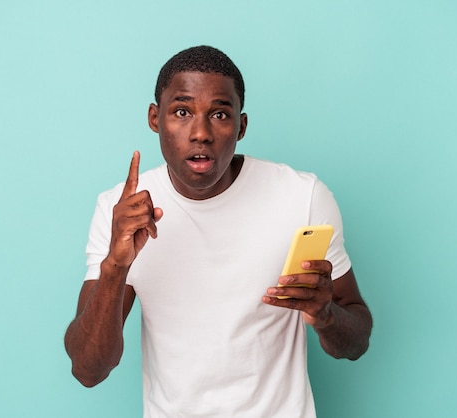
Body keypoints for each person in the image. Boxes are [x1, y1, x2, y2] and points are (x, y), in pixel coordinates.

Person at [64, 45, 372, 417]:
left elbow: (356, 342)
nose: (201, 133)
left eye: (220, 114)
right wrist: (115, 265)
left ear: (240, 126)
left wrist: (325, 316)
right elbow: (88, 369)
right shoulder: (120, 209)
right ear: (154, 118)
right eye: (181, 111)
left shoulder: (302, 197)